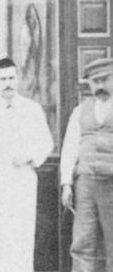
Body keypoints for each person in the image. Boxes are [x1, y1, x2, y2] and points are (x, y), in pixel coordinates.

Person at [0, 57, 53, 272]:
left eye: (11, 78)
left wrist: (29, 156)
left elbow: (46, 143)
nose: (7, 83)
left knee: (22, 236)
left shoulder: (32, 109)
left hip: (23, 180)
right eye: (2, 78)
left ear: (18, 80)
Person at [60, 57, 113, 272]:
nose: (99, 86)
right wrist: (66, 184)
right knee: (83, 242)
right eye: (94, 81)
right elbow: (70, 148)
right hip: (86, 185)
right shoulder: (80, 111)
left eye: (104, 79)